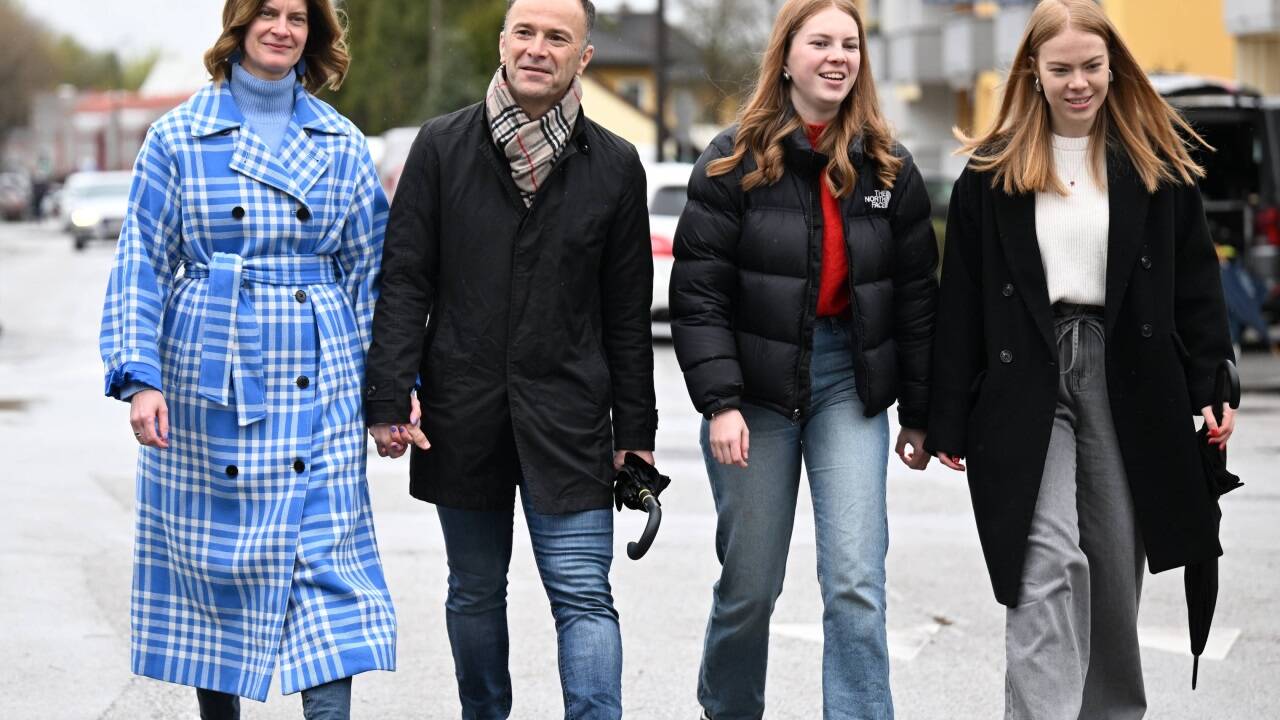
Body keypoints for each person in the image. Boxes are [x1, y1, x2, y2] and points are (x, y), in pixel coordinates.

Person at [925, 1, 1237, 718]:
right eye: (1060, 68)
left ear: (1113, 67)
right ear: (1031, 71)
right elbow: (962, 300)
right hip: (1025, 373)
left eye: (1091, 67)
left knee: (1112, 571)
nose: (1078, 83)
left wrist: (1213, 382)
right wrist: (943, 417)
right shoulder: (992, 171)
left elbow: (1196, 286)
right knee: (1046, 565)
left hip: (1128, 371)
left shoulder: (1157, 166)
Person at [98, 0, 396, 716]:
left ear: (314, 35)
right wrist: (141, 378)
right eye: (268, 12)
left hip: (319, 375)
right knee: (218, 570)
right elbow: (142, 258)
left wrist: (391, 387)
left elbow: (377, 274)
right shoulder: (178, 136)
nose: (283, 28)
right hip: (212, 377)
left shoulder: (342, 142)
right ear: (239, 24)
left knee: (327, 572)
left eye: (299, 17)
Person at [361, 0, 657, 717]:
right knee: (473, 589)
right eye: (525, 32)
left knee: (585, 594)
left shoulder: (615, 166)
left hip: (571, 415)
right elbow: (405, 278)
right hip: (463, 412)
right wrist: (388, 396)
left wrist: (636, 436)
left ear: (583, 57)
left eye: (558, 37)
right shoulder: (440, 147)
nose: (537, 47)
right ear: (503, 43)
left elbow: (627, 315)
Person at [669, 0, 937, 716]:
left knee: (855, 579)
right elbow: (698, 295)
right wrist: (720, 402)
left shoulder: (888, 168)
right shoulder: (733, 161)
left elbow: (915, 299)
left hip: (848, 381)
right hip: (754, 391)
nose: (837, 56)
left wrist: (922, 412)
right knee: (750, 587)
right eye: (820, 41)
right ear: (786, 56)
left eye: (850, 43)